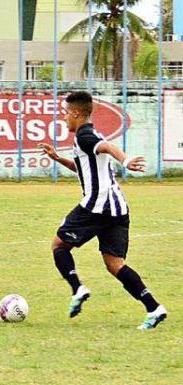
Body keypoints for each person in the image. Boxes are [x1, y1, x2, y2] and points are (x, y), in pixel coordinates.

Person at [38, 91, 167, 330]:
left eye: (66, 113)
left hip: (97, 206)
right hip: (117, 208)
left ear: (76, 113)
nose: (64, 118)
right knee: (114, 264)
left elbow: (107, 148)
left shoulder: (85, 135)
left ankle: (77, 288)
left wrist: (126, 161)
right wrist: (57, 158)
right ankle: (154, 307)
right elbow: (83, 170)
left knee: (58, 245)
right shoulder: (89, 135)